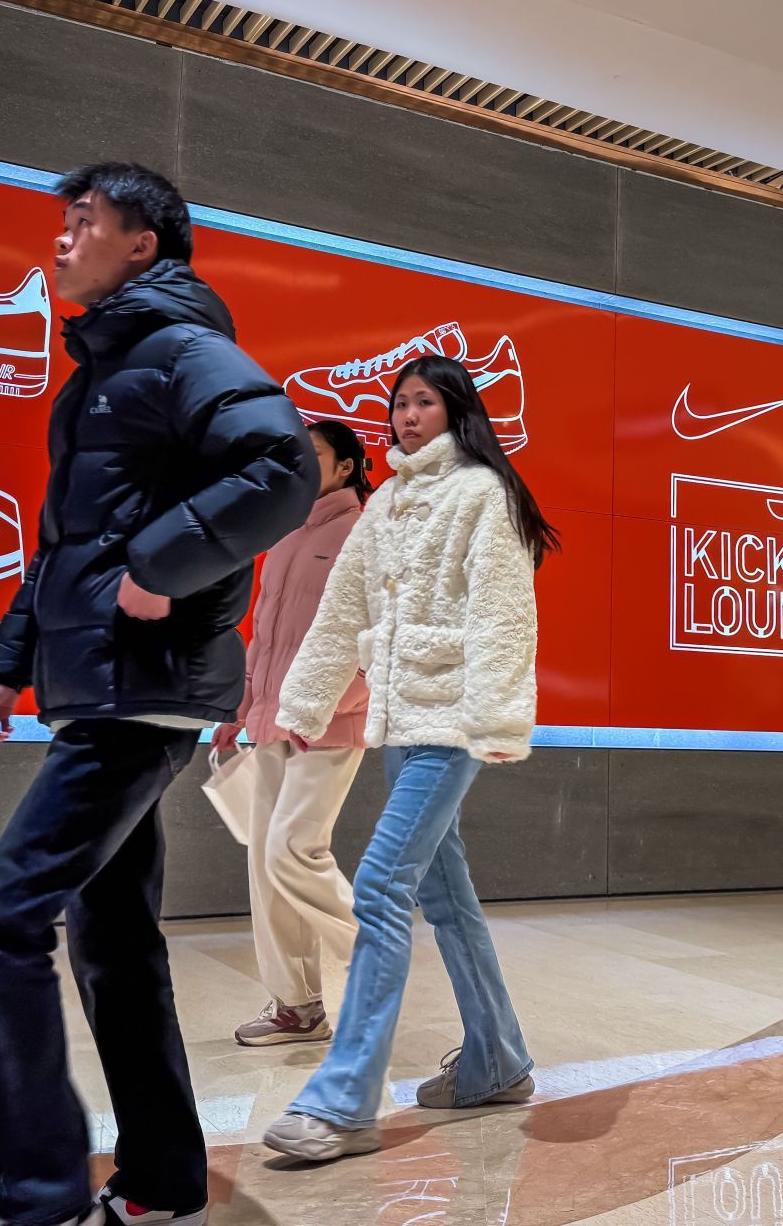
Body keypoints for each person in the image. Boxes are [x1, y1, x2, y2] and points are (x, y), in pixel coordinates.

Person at [0, 162, 317, 1226]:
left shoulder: (181, 351)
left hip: (139, 690)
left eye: (83, 225)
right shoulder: (103, 374)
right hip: (101, 684)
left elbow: (279, 466)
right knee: (110, 935)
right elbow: (67, 548)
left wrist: (160, 567)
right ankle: (161, 1180)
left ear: (142, 245)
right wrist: (5, 665)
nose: (60, 243)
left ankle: (40, 1193)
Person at [259, 354, 559, 1163]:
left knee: (384, 886)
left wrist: (496, 718)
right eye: (398, 404)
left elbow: (504, 614)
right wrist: (301, 705)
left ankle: (344, 1099)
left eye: (423, 402)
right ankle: (497, 1060)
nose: (405, 416)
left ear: (457, 411)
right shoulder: (387, 500)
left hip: (452, 723)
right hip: (400, 723)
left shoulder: (481, 493)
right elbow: (339, 610)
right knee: (446, 897)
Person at [212, 420, 374, 1048]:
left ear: (346, 467)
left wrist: (324, 706)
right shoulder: (282, 537)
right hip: (269, 724)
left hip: (326, 729)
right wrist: (241, 707)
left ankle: (375, 959)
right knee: (265, 863)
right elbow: (266, 639)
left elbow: (373, 643)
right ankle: (297, 1007)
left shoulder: (363, 533)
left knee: (292, 852)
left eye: (315, 457)